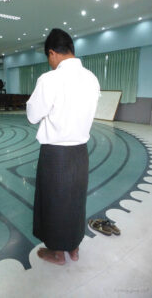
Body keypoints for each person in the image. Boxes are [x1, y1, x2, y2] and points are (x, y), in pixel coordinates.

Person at [26, 28, 100, 265]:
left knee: (54, 202)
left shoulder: (50, 79)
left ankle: (57, 253)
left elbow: (33, 115)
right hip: (80, 152)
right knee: (75, 201)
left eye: (48, 58)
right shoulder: (91, 78)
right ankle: (74, 249)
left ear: (52, 53)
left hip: (55, 154)